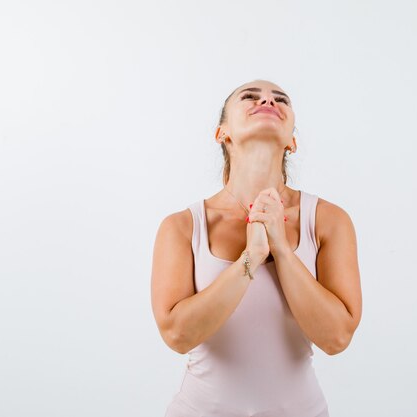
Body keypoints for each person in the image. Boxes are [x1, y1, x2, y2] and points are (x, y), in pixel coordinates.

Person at [151, 79, 362, 417]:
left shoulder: (327, 220)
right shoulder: (182, 226)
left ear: (292, 141)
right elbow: (178, 334)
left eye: (281, 99)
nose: (267, 100)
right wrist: (251, 256)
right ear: (222, 133)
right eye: (250, 96)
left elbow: (336, 338)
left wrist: (281, 248)